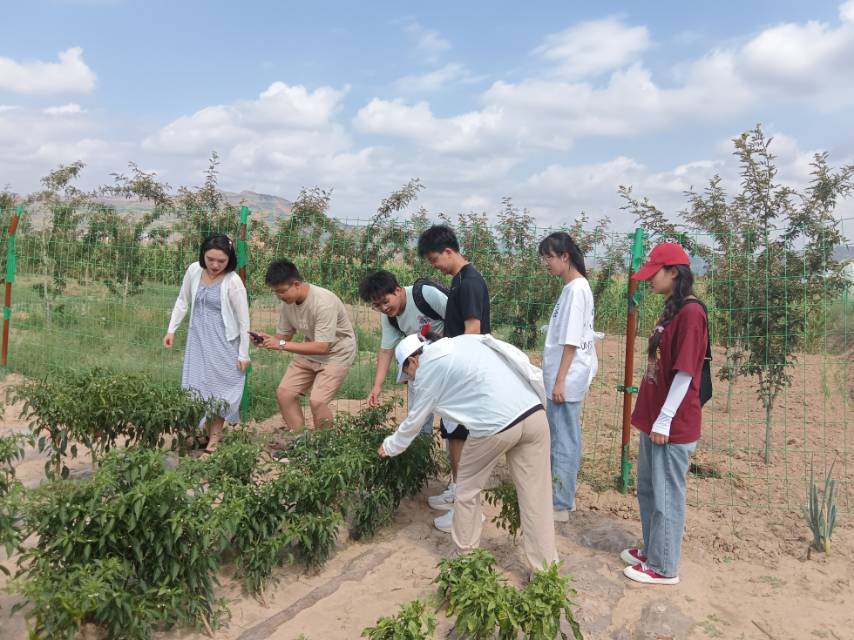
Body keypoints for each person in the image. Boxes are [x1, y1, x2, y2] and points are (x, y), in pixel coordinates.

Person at [377, 333, 558, 572]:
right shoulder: (462, 342)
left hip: (496, 423)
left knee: (466, 490)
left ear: (412, 361)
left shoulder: (429, 366)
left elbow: (415, 421)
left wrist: (389, 447)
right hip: (534, 412)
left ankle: (465, 559)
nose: (410, 380)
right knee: (537, 496)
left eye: (407, 375)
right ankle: (546, 571)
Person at [621, 243, 707, 585]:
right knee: (649, 488)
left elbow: (686, 371)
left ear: (674, 272)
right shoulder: (671, 310)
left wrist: (665, 418)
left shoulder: (691, 314)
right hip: (655, 417)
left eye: (653, 274)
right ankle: (655, 549)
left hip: (671, 423)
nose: (648, 281)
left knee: (667, 493)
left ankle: (664, 566)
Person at [417, 224, 491, 532]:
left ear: (449, 251)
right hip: (458, 369)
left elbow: (473, 331)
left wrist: (453, 366)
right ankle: (457, 493)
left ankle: (467, 511)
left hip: (465, 373)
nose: (434, 266)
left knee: (462, 440)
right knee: (454, 438)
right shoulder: (459, 280)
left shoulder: (471, 282)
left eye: (435, 259)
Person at [164, 234, 250, 453]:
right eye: (210, 259)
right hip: (198, 340)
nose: (214, 265)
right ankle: (199, 432)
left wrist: (243, 354)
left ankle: (214, 439)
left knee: (221, 389)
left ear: (229, 260)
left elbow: (243, 321)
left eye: (221, 261)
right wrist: (171, 329)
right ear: (203, 255)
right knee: (197, 386)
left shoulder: (233, 282)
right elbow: (183, 300)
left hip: (223, 343)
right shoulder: (194, 270)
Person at [253, 259, 356, 431]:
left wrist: (281, 344)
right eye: (275, 292)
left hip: (337, 353)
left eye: (282, 291)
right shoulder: (288, 303)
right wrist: (267, 339)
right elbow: (285, 335)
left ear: (296, 284)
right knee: (284, 394)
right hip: (311, 349)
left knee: (318, 401)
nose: (280, 296)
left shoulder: (323, 302)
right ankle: (300, 439)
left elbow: (323, 347)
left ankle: (324, 446)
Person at [539, 232, 598, 522]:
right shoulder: (572, 288)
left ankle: (561, 503)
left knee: (564, 438)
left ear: (565, 256)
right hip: (563, 375)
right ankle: (560, 496)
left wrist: (560, 380)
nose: (546, 263)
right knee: (562, 435)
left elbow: (571, 340)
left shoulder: (576, 290)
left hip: (567, 377)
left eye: (549, 257)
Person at [358, 270, 447, 435]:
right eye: (377, 305)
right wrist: (377, 387)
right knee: (418, 419)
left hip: (450, 362)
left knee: (452, 422)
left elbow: (459, 319)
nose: (383, 308)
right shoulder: (390, 317)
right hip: (420, 367)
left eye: (385, 301)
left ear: (398, 290)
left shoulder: (426, 295)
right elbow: (386, 351)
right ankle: (422, 456)